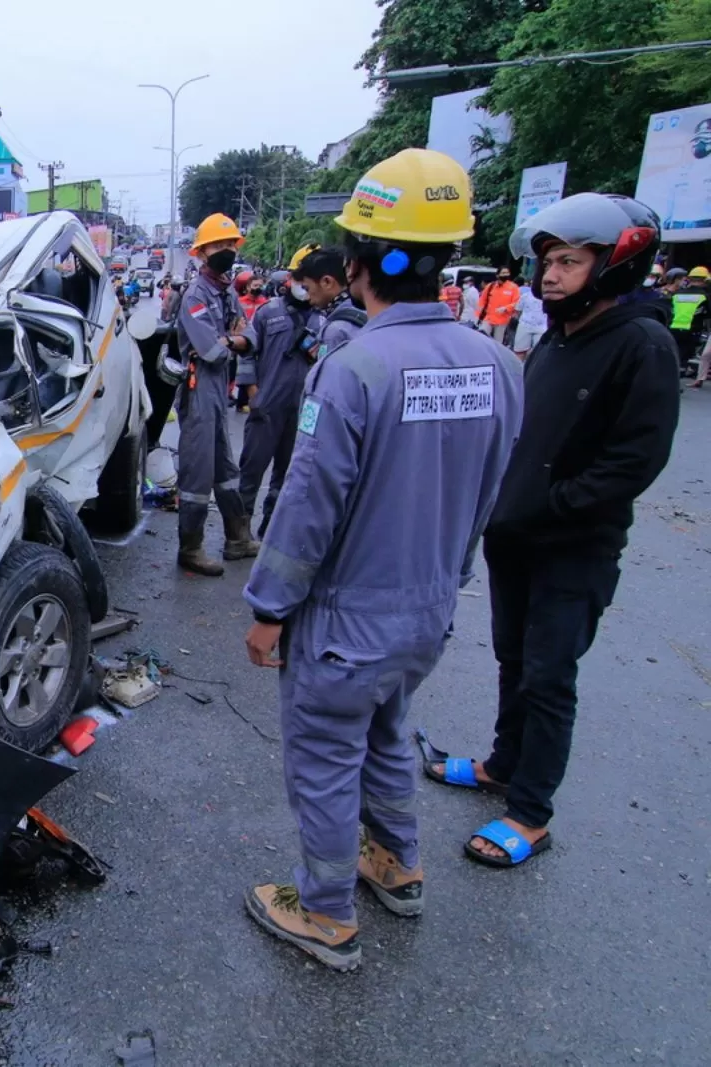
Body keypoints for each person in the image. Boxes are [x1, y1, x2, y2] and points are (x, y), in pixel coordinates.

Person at [240, 149, 523, 971]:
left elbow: (307, 506)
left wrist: (267, 608)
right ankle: (398, 864)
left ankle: (326, 911)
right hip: (427, 611)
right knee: (390, 734)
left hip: (345, 623)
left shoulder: (354, 367)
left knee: (326, 759)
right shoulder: (501, 365)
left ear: (359, 264)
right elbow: (485, 494)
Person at [424, 193, 678, 869]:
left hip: (573, 546)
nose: (552, 276)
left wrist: (556, 502)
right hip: (516, 537)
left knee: (549, 675)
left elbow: (636, 458)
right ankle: (504, 763)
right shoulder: (562, 339)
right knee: (514, 657)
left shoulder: (641, 343)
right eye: (548, 263)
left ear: (616, 263)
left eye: (569, 261)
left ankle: (532, 812)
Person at [173, 212, 257, 576]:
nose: (225, 250)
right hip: (199, 386)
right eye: (218, 245)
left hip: (218, 386)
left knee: (225, 466)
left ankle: (237, 538)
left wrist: (235, 340)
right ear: (202, 252)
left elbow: (251, 337)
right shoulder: (195, 294)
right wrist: (232, 340)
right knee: (198, 470)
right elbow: (211, 349)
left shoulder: (225, 292)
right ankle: (190, 549)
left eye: (229, 244)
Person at [237, 261, 323, 537]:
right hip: (267, 404)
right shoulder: (267, 312)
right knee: (251, 470)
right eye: (300, 280)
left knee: (288, 475)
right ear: (289, 280)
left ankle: (271, 528)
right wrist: (253, 393)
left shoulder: (321, 320)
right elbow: (247, 351)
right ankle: (239, 531)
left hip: (301, 409)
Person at [668, 265, 708, 374]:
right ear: (705, 280)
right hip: (691, 329)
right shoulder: (705, 296)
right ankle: (679, 373)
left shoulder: (677, 294)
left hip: (673, 327)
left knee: (674, 353)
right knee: (684, 356)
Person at [477, 266, 521, 343]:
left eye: (507, 273)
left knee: (498, 342)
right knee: (482, 339)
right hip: (488, 318)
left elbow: (517, 302)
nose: (506, 275)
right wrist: (478, 315)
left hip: (502, 320)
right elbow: (482, 301)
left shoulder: (513, 287)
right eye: (503, 273)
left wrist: (506, 308)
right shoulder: (490, 286)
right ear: (497, 275)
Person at [511, 278, 548, 360]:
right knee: (519, 351)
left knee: (539, 353)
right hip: (525, 325)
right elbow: (517, 311)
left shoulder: (548, 296)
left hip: (542, 327)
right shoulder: (525, 296)